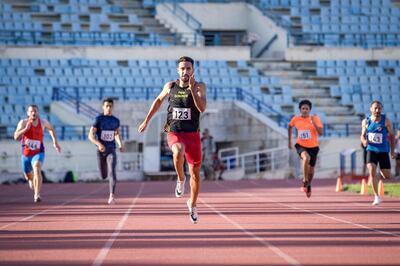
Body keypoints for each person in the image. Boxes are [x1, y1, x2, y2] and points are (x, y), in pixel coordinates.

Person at [138, 56, 206, 224]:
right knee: (177, 151)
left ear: (193, 70)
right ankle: (180, 179)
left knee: (196, 175)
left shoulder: (198, 87)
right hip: (175, 132)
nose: (185, 72)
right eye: (182, 69)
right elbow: (158, 101)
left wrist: (192, 89)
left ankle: (193, 204)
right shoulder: (170, 86)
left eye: (188, 69)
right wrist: (146, 120)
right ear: (178, 70)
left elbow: (202, 108)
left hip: (193, 135)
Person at [14, 104, 61, 203]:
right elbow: (16, 137)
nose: (33, 113)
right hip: (26, 155)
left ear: (38, 112)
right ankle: (31, 180)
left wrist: (55, 142)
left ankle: (37, 194)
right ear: (28, 113)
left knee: (37, 167)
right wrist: (25, 130)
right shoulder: (23, 122)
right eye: (31, 111)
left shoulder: (43, 122)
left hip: (38, 152)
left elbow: (51, 129)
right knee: (29, 177)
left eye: (35, 111)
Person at [88, 98, 124, 204]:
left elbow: (116, 133)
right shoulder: (98, 119)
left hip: (111, 149)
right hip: (100, 151)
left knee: (112, 171)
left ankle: (111, 195)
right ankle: (104, 176)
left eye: (110, 106)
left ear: (112, 107)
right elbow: (90, 136)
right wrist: (99, 144)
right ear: (103, 107)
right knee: (104, 175)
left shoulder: (115, 120)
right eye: (107, 106)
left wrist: (120, 144)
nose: (108, 108)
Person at [361, 101, 395, 206]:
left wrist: (392, 151)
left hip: (383, 151)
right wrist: (364, 141)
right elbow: (362, 135)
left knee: (387, 175)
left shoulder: (386, 121)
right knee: (371, 169)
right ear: (371, 109)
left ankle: (381, 170)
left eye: (379, 108)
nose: (377, 110)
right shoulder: (366, 122)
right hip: (371, 149)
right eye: (375, 108)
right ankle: (376, 197)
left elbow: (392, 136)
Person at [288, 100, 323, 198]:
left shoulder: (315, 118)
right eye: (303, 108)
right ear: (300, 110)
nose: (305, 110)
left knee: (311, 168)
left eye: (307, 109)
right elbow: (289, 127)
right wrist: (289, 141)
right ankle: (305, 179)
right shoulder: (296, 119)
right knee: (305, 158)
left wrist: (313, 123)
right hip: (301, 145)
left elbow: (320, 133)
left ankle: (309, 184)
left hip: (313, 147)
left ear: (310, 110)